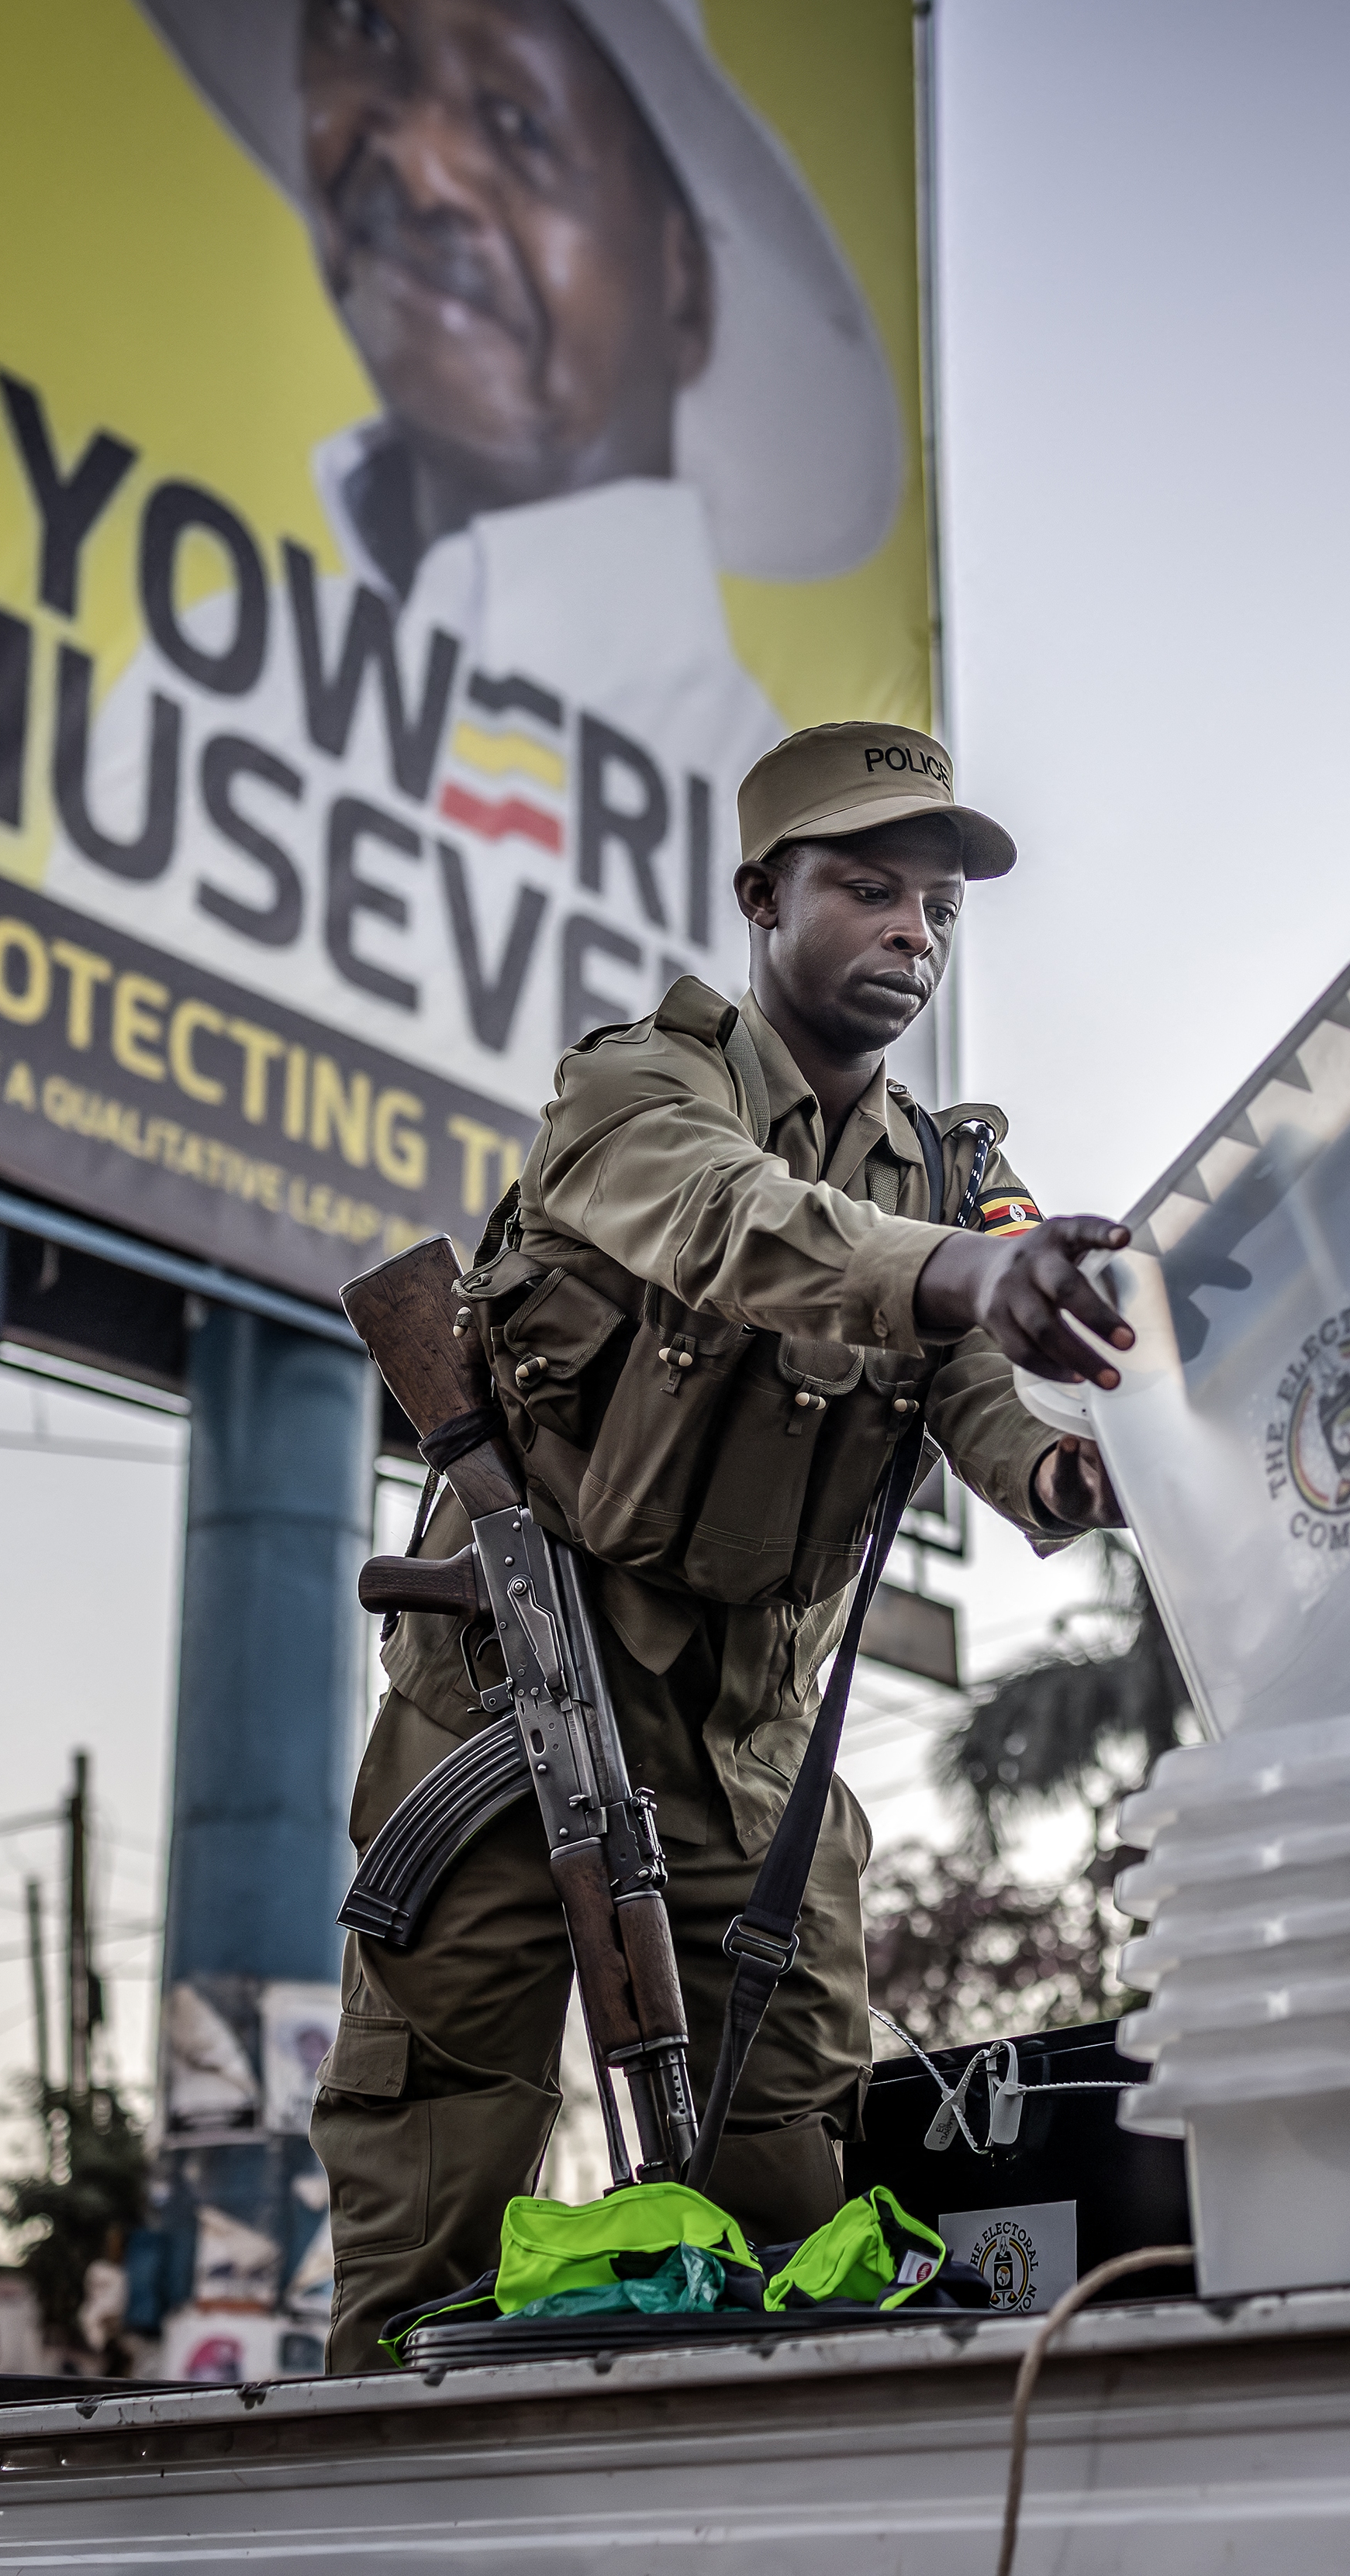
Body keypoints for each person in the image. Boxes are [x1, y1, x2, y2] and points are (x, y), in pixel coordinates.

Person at [311, 720, 1130, 2365]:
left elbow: (981, 1387)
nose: (911, 932)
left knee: (796, 2220)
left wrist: (1066, 1476)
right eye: (865, 889)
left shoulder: (952, 1176)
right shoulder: (637, 1086)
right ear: (762, 896)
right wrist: (961, 1275)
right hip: (511, 1686)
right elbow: (727, 1222)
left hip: (744, 1738)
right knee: (433, 2177)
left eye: (935, 911)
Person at [86, 0, 910, 1115]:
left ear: (682, 274)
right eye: (366, 34)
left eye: (519, 124)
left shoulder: (755, 828)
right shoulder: (224, 660)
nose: (416, 167)